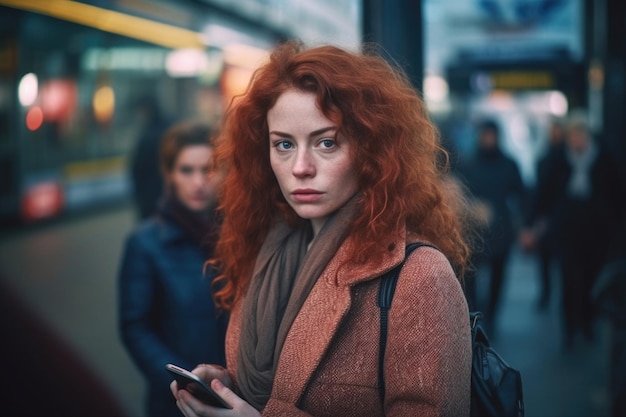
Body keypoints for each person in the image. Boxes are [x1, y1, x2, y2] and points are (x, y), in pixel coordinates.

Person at [170, 41, 472, 417]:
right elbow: (279, 382)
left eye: (326, 143)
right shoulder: (267, 254)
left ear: (370, 149)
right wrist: (226, 385)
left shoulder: (418, 276)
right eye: (283, 144)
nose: (300, 167)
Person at [119, 120, 228, 417]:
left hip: (234, 396)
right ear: (169, 174)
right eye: (186, 170)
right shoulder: (146, 243)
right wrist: (183, 381)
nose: (198, 182)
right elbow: (135, 326)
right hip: (175, 403)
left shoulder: (241, 236)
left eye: (208, 169)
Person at [520, 109, 625, 351]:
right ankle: (569, 329)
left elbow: (618, 195)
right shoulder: (558, 159)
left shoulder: (605, 158)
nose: (575, 140)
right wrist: (530, 224)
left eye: (579, 135)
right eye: (572, 136)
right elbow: (543, 193)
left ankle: (587, 322)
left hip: (597, 231)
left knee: (590, 278)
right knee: (568, 280)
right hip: (566, 230)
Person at [454, 118, 527, 332]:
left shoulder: (509, 164)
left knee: (498, 275)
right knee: (471, 276)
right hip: (473, 230)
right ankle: (475, 316)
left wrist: (521, 226)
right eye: (485, 135)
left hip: (501, 229)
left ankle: (492, 316)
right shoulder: (468, 163)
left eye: (491, 135)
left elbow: (520, 194)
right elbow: (458, 195)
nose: (488, 139)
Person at [531, 116, 567, 310]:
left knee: (560, 261)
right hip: (547, 216)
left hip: (561, 217)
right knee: (545, 259)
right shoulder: (546, 158)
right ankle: (546, 294)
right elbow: (540, 191)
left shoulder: (565, 159)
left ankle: (555, 297)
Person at [129, 96, 174, 220]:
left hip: (151, 198)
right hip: (168, 196)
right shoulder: (170, 128)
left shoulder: (148, 136)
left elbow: (137, 169)